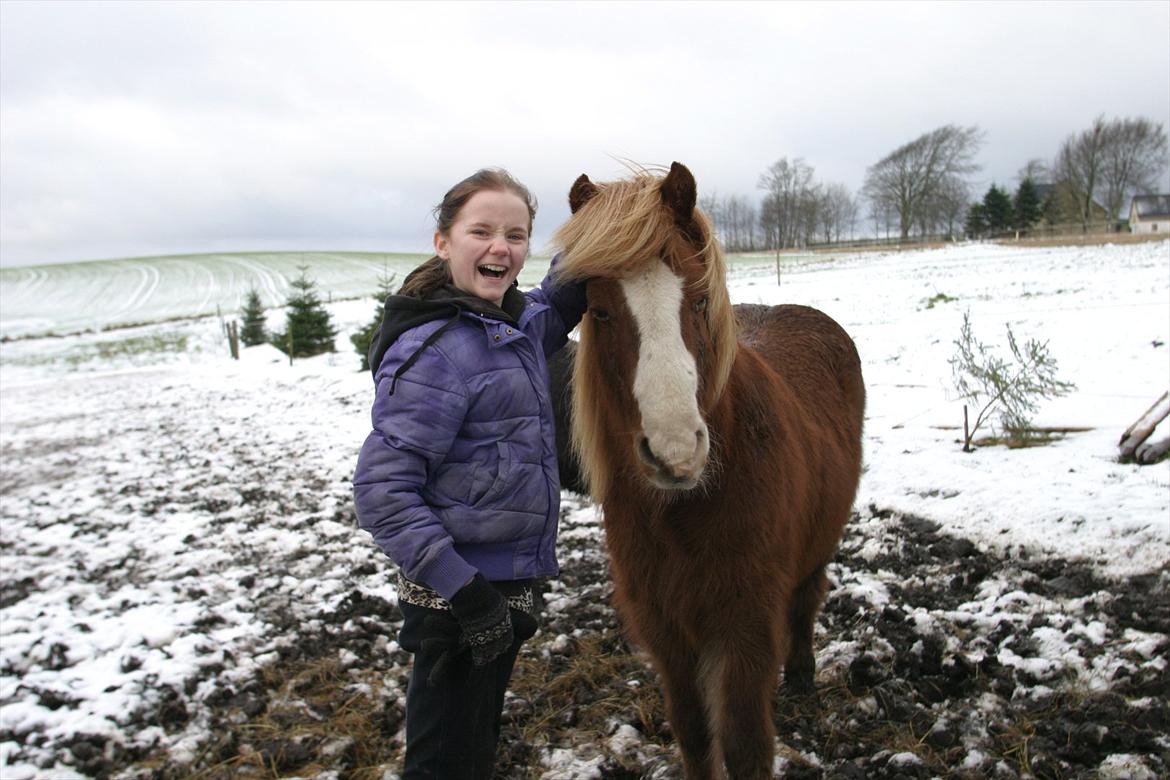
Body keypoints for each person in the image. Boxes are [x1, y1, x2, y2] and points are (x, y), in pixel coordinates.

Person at [353, 168, 586, 778]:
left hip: (502, 589)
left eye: (516, 234)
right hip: (456, 602)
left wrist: (599, 227)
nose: (499, 248)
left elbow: (558, 302)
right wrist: (466, 593)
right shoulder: (437, 350)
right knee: (442, 761)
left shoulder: (510, 326)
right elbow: (383, 492)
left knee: (474, 746)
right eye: (480, 231)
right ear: (442, 242)